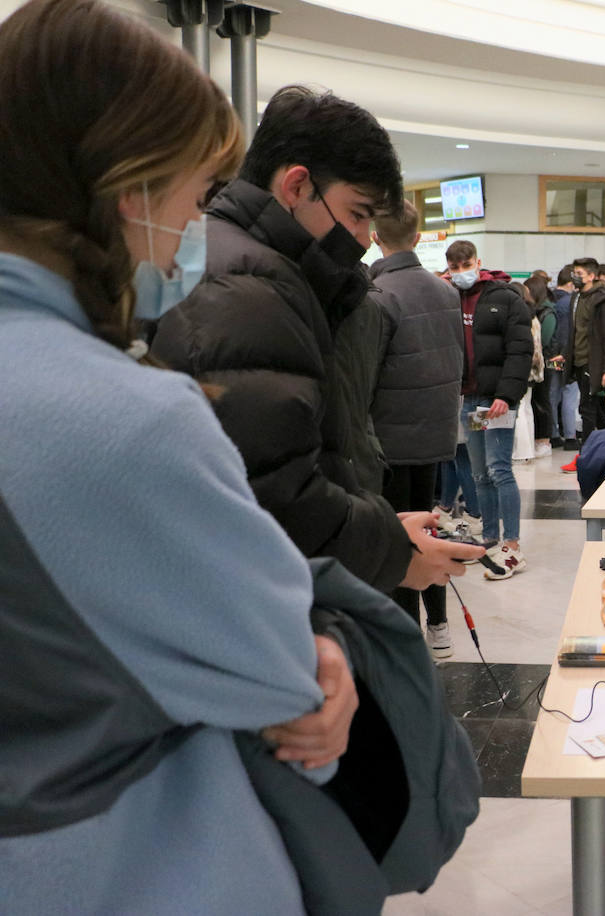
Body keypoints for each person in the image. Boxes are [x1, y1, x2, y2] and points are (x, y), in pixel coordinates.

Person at [0, 1, 357, 908]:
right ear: (133, 189)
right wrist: (318, 655)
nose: (198, 227)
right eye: (196, 197)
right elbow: (280, 687)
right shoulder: (123, 418)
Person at [151, 86, 481, 593]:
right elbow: (273, 495)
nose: (363, 237)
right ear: (297, 186)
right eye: (356, 213)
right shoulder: (249, 288)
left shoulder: (252, 266)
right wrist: (391, 552)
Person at [368, 199, 465, 655]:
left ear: (374, 236)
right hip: (434, 432)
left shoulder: (378, 295)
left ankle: (408, 638)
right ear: (419, 235)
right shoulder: (446, 292)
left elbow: (368, 373)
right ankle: (441, 626)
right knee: (428, 526)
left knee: (398, 536)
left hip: (388, 438)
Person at [446, 239, 532, 579]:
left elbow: (520, 349)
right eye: (454, 267)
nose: (460, 272)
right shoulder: (450, 297)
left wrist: (507, 395)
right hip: (470, 400)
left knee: (500, 470)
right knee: (480, 474)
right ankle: (490, 538)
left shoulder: (505, 298)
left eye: (465, 265)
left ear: (477, 262)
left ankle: (512, 545)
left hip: (495, 401)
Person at [562, 256, 605, 472]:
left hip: (594, 364)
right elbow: (574, 332)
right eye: (574, 273)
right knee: (598, 412)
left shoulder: (602, 301)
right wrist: (566, 355)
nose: (576, 277)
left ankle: (586, 458)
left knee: (588, 410)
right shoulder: (575, 298)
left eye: (580, 274)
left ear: (592, 276)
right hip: (578, 361)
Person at [525, 275, 558, 457]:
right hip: (541, 362)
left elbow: (545, 341)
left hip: (547, 363)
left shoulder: (547, 313)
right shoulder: (537, 311)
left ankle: (545, 439)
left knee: (544, 400)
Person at [549, 265, 580, 451]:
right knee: (570, 392)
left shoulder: (549, 298)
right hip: (565, 354)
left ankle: (553, 433)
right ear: (570, 283)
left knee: (552, 394)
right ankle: (570, 436)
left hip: (549, 354)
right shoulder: (570, 302)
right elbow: (567, 332)